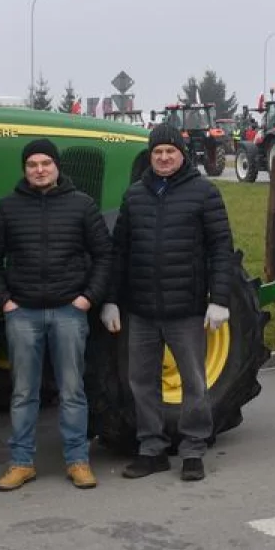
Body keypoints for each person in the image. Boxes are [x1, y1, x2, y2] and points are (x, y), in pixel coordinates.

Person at [101, 123, 235, 482]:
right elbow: (120, 252)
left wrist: (219, 299)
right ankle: (152, 449)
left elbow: (220, 248)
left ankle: (193, 450)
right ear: (150, 155)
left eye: (169, 152)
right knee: (141, 383)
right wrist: (112, 300)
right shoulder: (135, 196)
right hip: (141, 311)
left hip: (186, 310)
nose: (163, 157)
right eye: (157, 152)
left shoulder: (204, 194)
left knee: (194, 382)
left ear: (182, 154)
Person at [0, 138, 114, 492]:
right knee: (24, 392)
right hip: (22, 314)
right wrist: (5, 301)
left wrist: (87, 299)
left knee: (72, 390)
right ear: (25, 169)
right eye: (32, 164)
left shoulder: (82, 206)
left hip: (69, 312)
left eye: (46, 163)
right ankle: (21, 463)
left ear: (57, 167)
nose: (39, 170)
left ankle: (78, 460)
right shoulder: (6, 209)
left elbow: (103, 254)